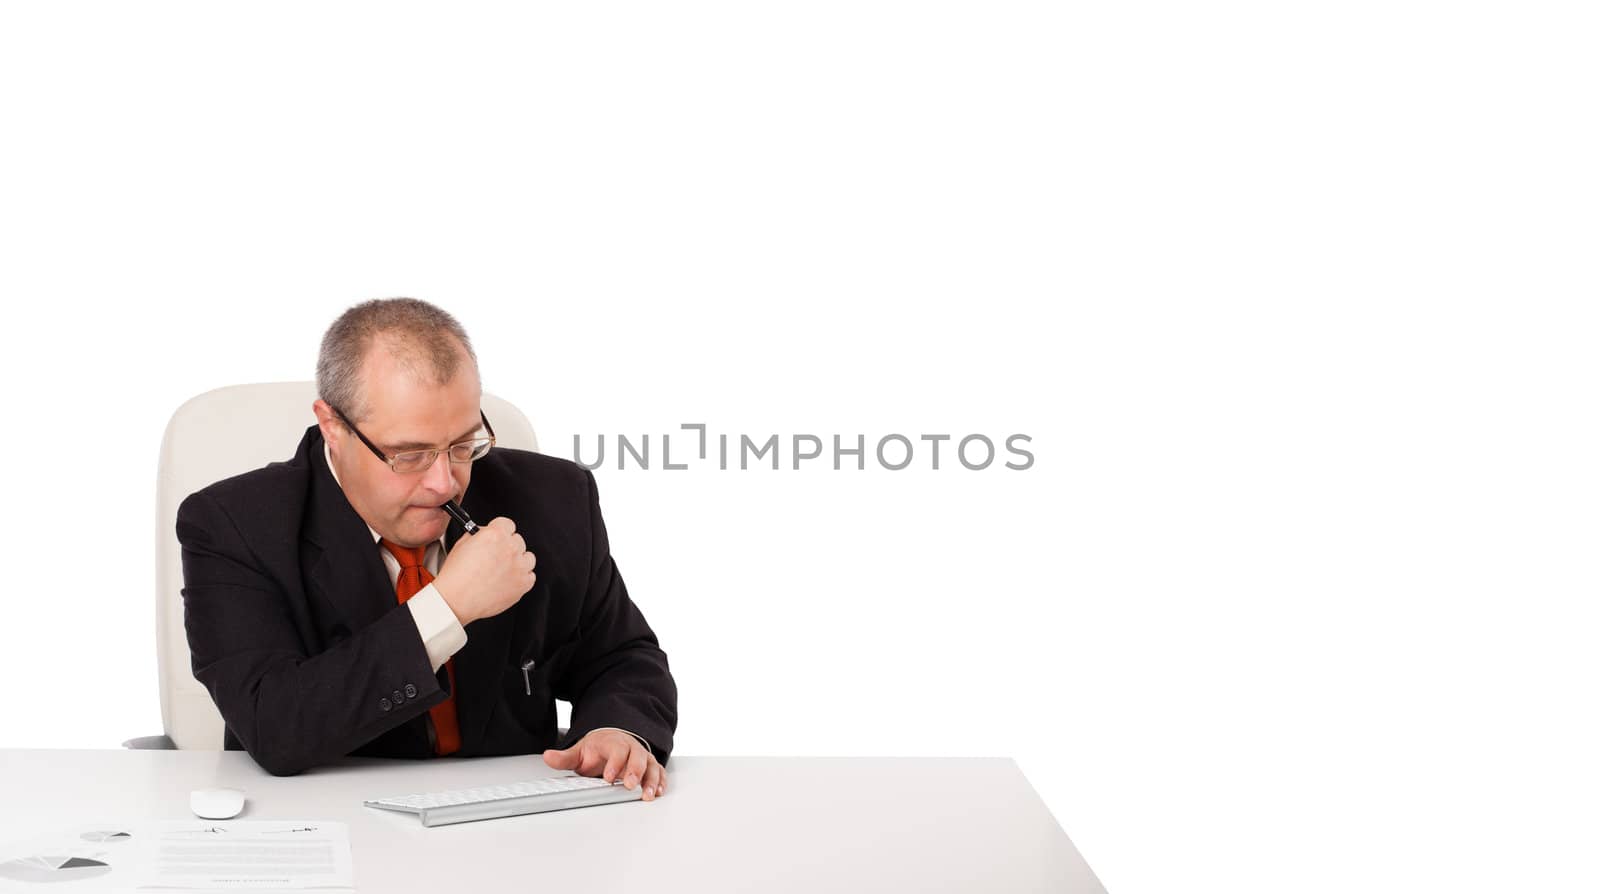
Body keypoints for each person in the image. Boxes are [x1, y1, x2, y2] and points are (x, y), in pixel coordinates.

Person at [177, 298, 677, 799]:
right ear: (332, 426)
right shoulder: (230, 526)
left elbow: (623, 656)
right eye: (410, 454)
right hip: (328, 825)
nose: (445, 483)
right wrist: (448, 608)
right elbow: (274, 726)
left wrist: (619, 729)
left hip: (512, 831)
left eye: (463, 446)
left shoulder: (554, 498)